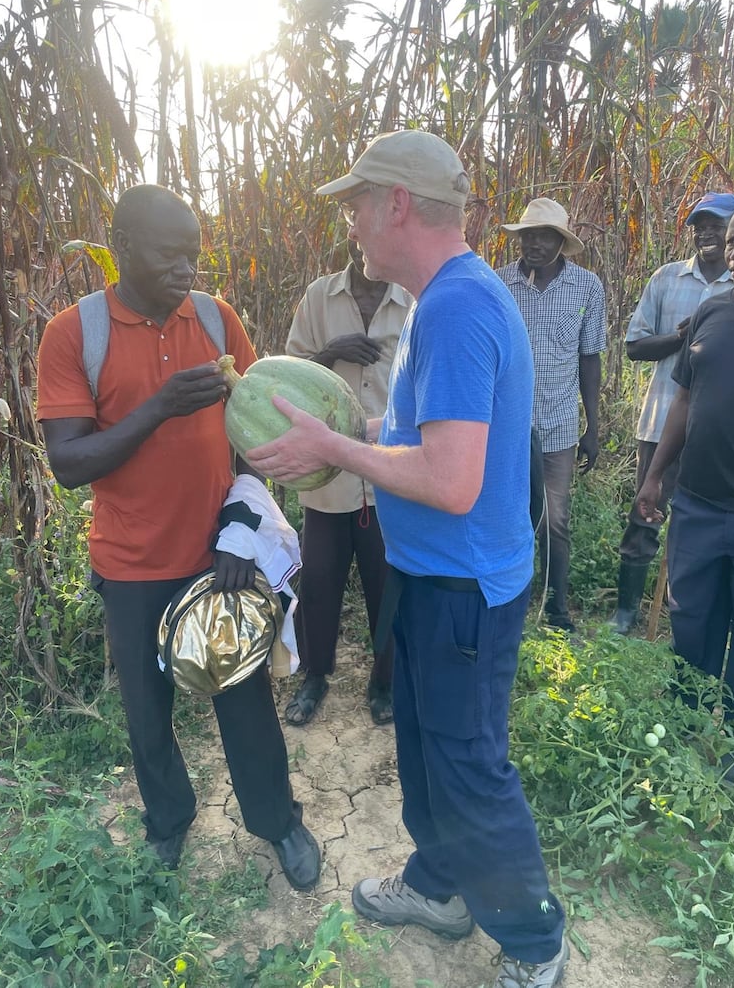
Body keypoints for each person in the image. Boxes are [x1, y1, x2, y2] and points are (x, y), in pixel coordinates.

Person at [245, 131, 569, 988]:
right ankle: (440, 889)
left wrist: (333, 447)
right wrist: (353, 438)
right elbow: (425, 445)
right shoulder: (440, 298)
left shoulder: (459, 307)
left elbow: (452, 480)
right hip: (433, 578)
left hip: (464, 587)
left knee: (468, 765)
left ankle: (536, 946)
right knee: (430, 753)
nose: (349, 223)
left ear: (395, 204)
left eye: (355, 204)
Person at [35, 184, 321, 889]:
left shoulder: (218, 322)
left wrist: (240, 531)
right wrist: (160, 407)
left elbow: (258, 444)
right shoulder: (76, 334)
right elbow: (69, 464)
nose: (186, 270)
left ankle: (278, 822)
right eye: (169, 255)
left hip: (217, 560)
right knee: (148, 715)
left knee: (246, 702)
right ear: (123, 246)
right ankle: (168, 823)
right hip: (131, 566)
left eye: (194, 255)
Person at [635, 191, 734, 781]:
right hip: (697, 507)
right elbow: (685, 398)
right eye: (733, 241)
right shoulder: (712, 312)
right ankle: (683, 732)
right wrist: (654, 477)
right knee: (692, 625)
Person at [283, 237, 412, 727]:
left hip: (388, 471)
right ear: (353, 239)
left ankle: (384, 684)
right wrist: (330, 352)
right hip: (328, 472)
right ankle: (314, 677)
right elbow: (288, 378)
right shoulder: (320, 297)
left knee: (388, 586)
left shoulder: (413, 302)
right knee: (317, 584)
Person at [609, 191, 734, 633]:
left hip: (720, 432)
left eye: (716, 224)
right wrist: (680, 340)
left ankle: (687, 613)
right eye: (699, 224)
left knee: (704, 524)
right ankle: (626, 614)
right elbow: (634, 346)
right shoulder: (667, 279)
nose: (705, 231)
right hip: (663, 421)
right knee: (645, 514)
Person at [497, 199, 606, 634]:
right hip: (505, 426)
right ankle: (511, 601)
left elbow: (589, 358)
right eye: (527, 235)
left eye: (544, 236)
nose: (534, 244)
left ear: (562, 242)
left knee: (554, 518)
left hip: (558, 424)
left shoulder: (587, 288)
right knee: (509, 513)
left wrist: (592, 428)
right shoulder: (500, 283)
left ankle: (557, 609)